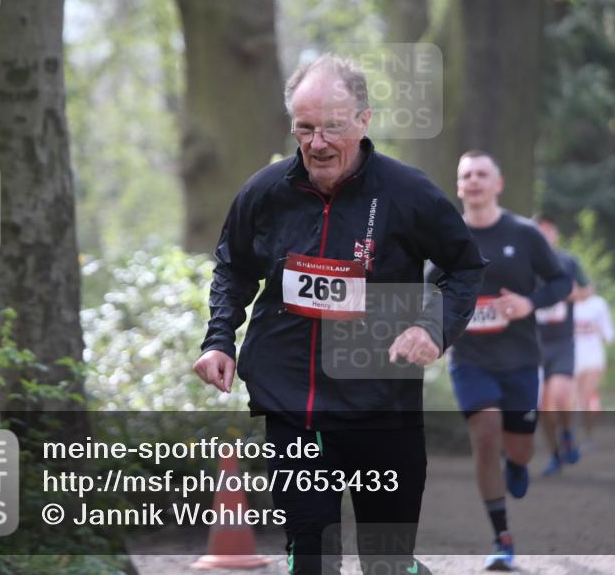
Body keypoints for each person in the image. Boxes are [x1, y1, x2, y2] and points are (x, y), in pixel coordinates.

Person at [193, 54, 486, 575]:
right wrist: (219, 340)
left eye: (333, 126)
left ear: (364, 120)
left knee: (386, 563)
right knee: (311, 558)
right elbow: (233, 268)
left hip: (380, 402)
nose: (318, 142)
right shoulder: (265, 193)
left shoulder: (407, 192)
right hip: (292, 405)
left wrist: (432, 326)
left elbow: (463, 267)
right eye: (304, 128)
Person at [431, 151, 571, 571]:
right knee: (486, 432)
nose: (473, 181)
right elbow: (427, 289)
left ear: (498, 183)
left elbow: (561, 281)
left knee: (520, 449)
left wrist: (530, 302)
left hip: (521, 360)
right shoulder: (448, 236)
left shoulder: (525, 234)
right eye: (466, 175)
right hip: (470, 359)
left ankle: (519, 462)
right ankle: (502, 535)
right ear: (458, 186)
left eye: (481, 174)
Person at [533, 214, 591, 476]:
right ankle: (555, 454)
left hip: (562, 342)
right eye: (539, 231)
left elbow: (587, 290)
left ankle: (567, 433)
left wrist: (570, 294)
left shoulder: (567, 262)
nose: (545, 236)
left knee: (561, 396)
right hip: (532, 343)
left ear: (555, 235)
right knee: (543, 407)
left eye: (549, 231)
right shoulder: (524, 263)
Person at [573, 289, 615, 450]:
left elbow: (610, 335)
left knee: (585, 397)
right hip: (571, 359)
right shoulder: (567, 304)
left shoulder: (598, 304)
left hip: (593, 359)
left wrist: (599, 330)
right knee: (573, 400)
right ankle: (571, 436)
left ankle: (587, 436)